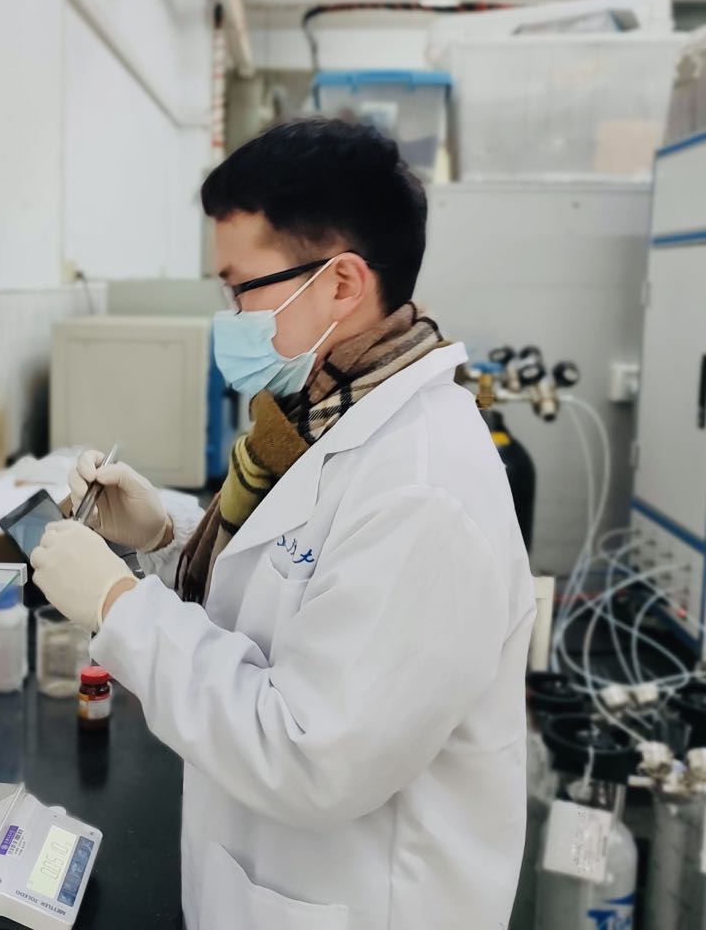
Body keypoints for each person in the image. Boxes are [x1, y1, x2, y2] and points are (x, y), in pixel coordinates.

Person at [32, 118, 534, 929]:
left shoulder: (424, 488)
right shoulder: (326, 415)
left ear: (341, 283)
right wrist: (167, 537)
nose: (229, 315)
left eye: (241, 289)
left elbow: (310, 755)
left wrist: (120, 606)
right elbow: (291, 579)